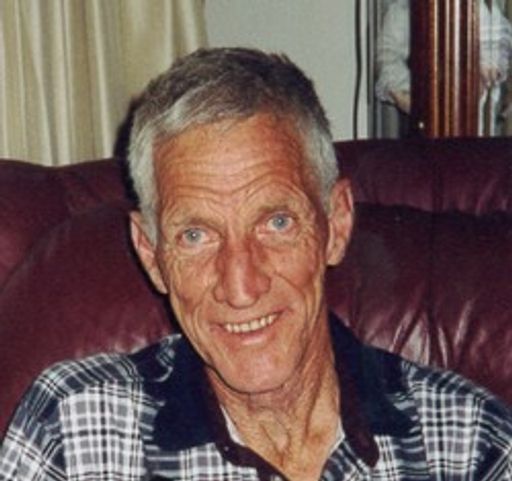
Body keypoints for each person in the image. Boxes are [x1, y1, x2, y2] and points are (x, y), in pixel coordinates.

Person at [1, 47, 512, 480]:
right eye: (196, 235)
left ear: (335, 225)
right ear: (152, 255)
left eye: (276, 223)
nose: (240, 286)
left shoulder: (470, 443)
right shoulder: (74, 432)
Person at [376, 0, 512, 131]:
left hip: (475, 118)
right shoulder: (402, 10)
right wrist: (415, 104)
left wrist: (481, 77)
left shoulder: (479, 8)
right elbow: (388, 59)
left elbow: (497, 47)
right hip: (423, 120)